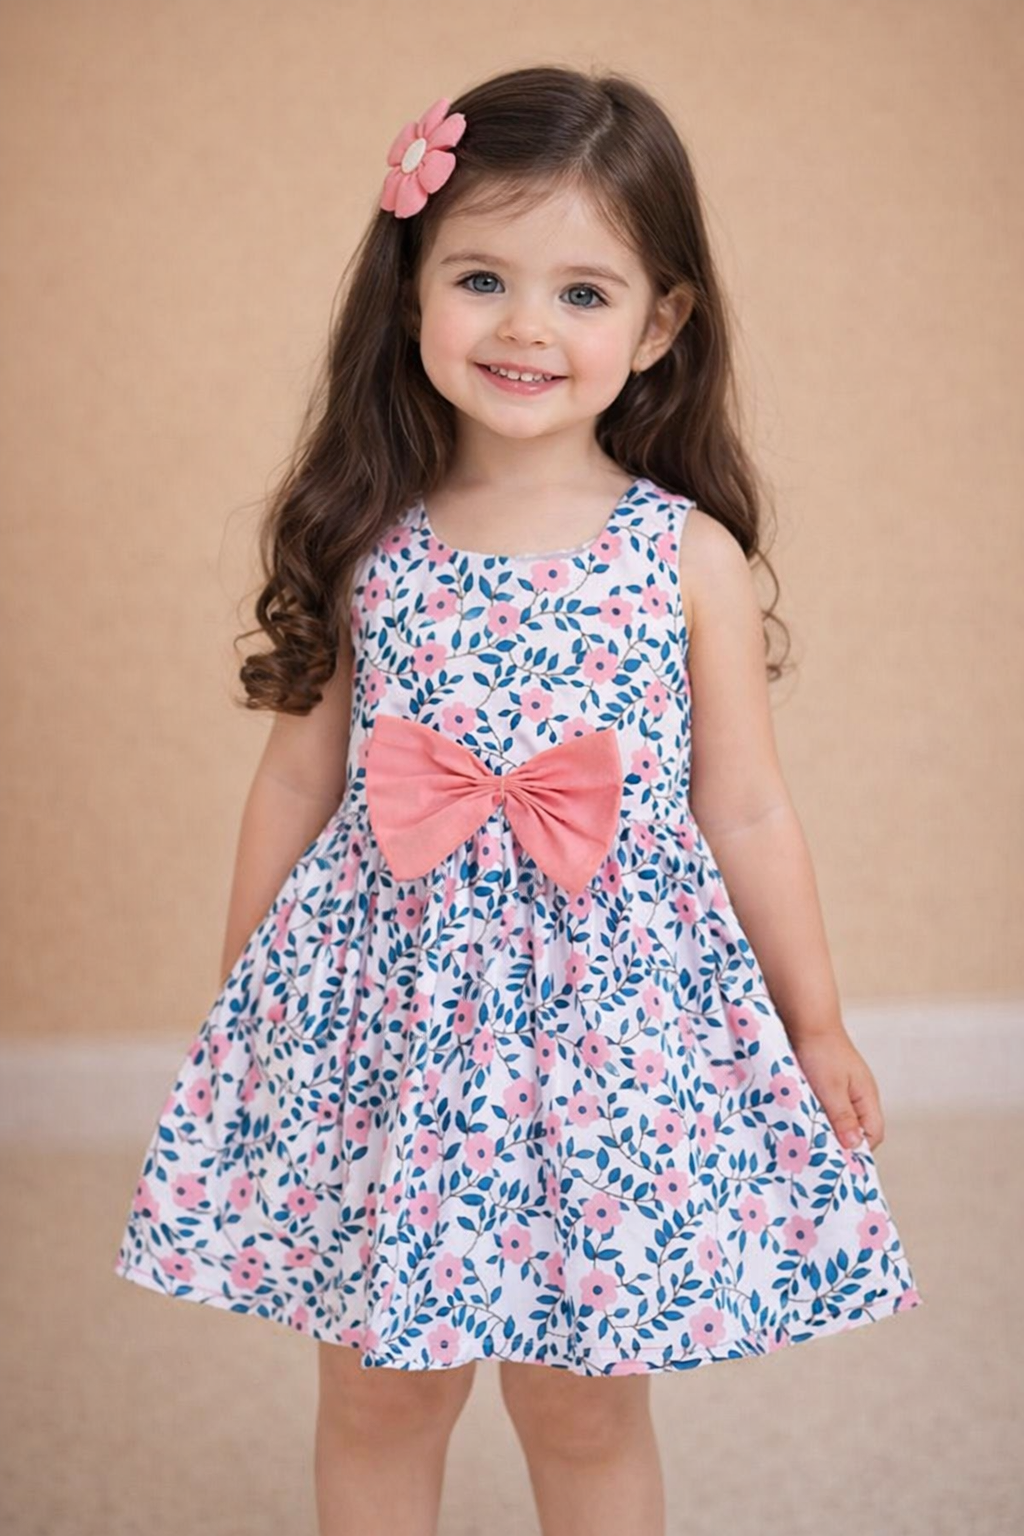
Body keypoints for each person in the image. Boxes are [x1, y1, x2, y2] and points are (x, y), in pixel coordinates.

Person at [113, 63, 924, 1536]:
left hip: (606, 1040)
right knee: (379, 1386)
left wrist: (815, 1022)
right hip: (391, 1021)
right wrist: (247, 1010)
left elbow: (747, 809)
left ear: (661, 323)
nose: (526, 328)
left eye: (583, 293)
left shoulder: (686, 559)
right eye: (481, 277)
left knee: (583, 1398)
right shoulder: (369, 541)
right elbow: (296, 775)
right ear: (411, 287)